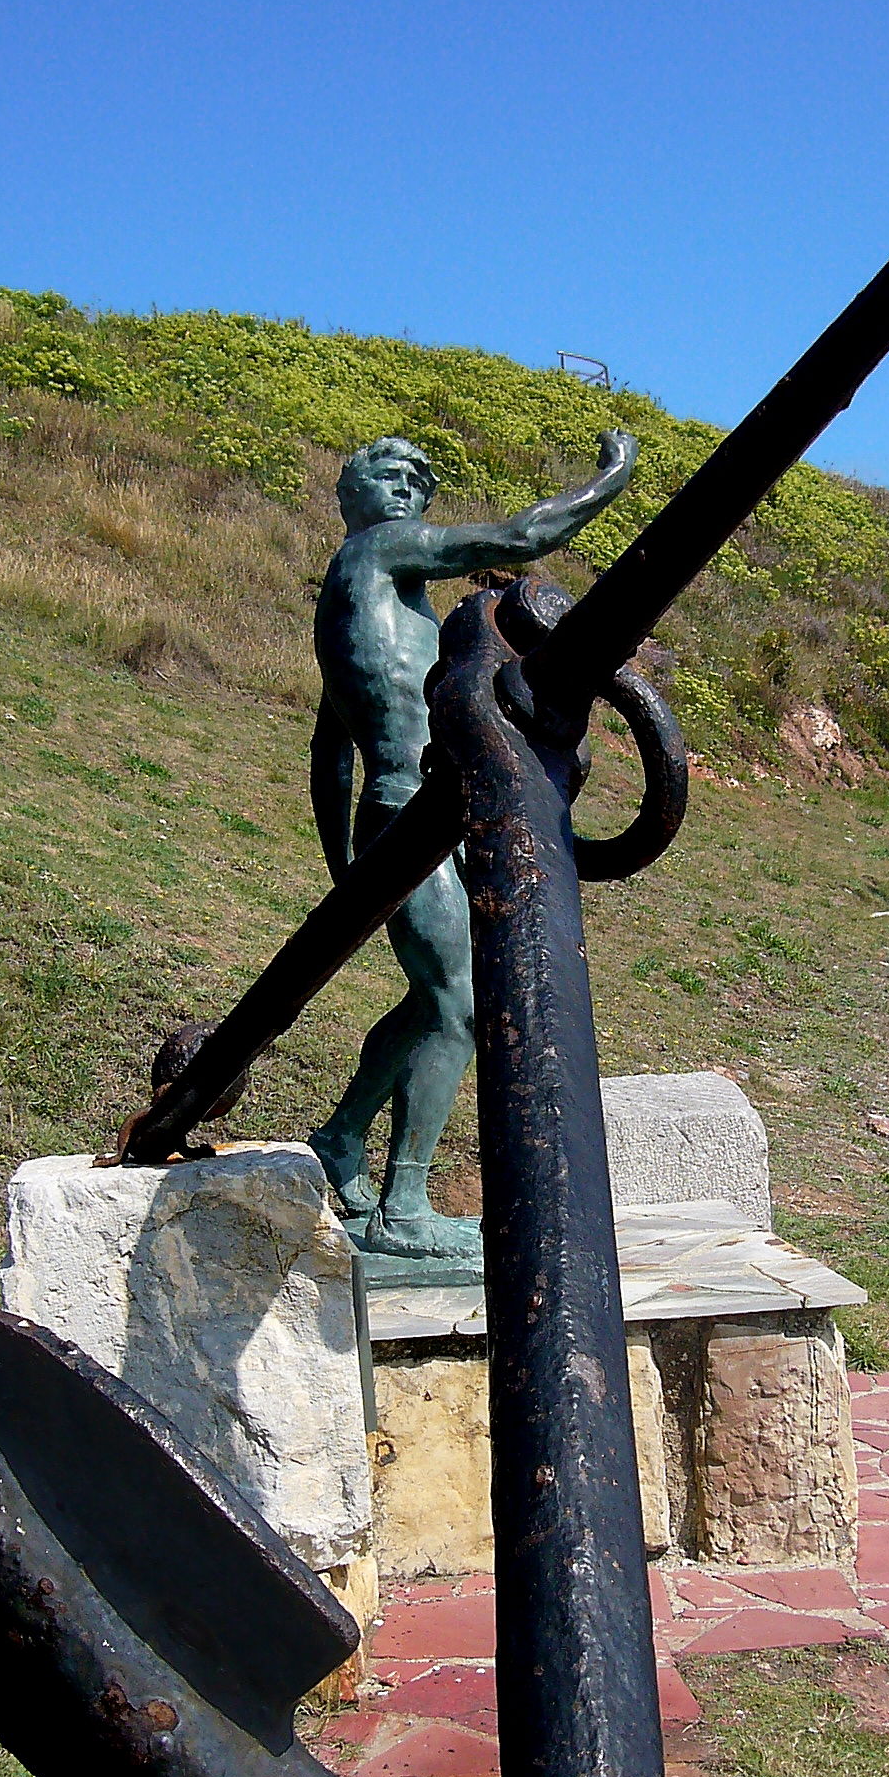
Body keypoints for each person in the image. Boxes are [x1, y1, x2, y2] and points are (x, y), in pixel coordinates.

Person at [308, 427, 638, 1258]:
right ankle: (403, 1208)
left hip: (415, 820)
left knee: (435, 998)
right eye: (387, 474)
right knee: (458, 1004)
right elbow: (521, 540)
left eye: (419, 482)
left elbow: (328, 747)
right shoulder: (377, 554)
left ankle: (341, 1143)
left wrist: (347, 869)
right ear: (351, 491)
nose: (406, 491)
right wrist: (613, 475)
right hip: (408, 816)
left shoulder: (379, 613)